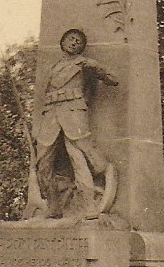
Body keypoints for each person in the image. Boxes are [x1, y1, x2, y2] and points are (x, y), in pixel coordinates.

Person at [32, 28, 118, 219]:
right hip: (51, 115)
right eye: (71, 39)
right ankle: (53, 204)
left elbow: (113, 79)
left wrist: (94, 66)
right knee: (43, 161)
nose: (74, 43)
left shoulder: (84, 64)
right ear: (62, 43)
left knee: (78, 156)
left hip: (73, 113)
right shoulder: (53, 68)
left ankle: (89, 202)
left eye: (78, 41)